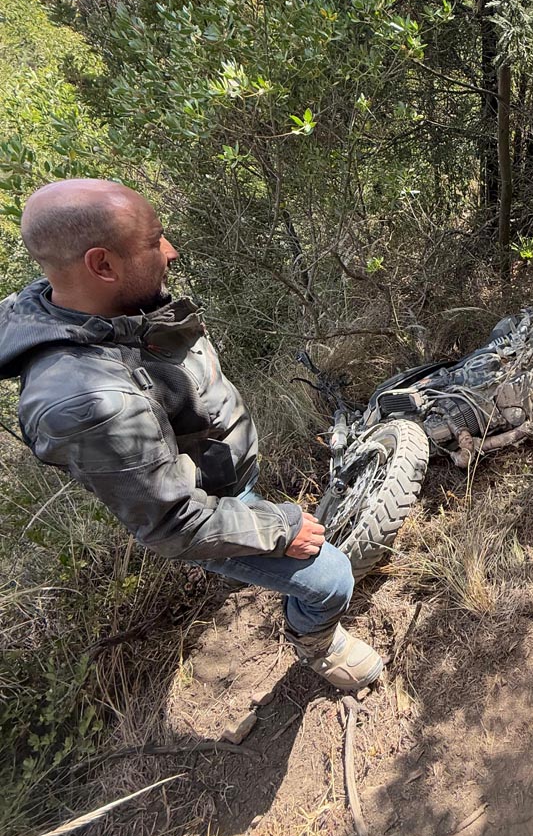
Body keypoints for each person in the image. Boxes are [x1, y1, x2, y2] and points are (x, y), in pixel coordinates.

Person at [0, 178, 382, 692]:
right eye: (154, 240)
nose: (170, 251)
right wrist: (280, 525)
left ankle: (247, 557)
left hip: (218, 479)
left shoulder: (99, 307)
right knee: (330, 578)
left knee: (271, 537)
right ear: (103, 265)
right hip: (198, 506)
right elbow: (170, 523)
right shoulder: (86, 400)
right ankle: (317, 643)